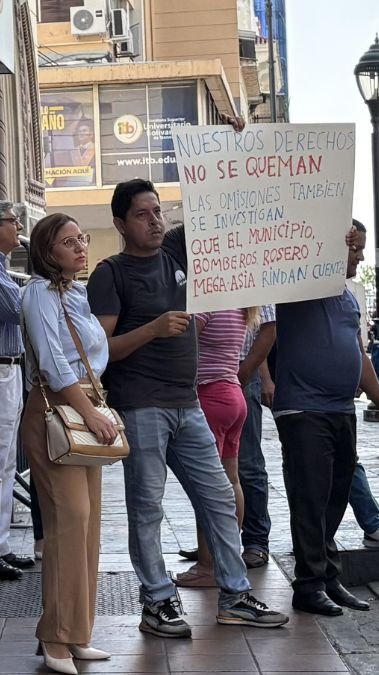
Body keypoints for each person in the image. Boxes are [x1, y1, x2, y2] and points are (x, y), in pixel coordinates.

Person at [87, 178, 287, 638]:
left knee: (218, 496)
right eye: (142, 214)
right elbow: (100, 353)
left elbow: (215, 202)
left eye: (157, 211)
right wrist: (153, 329)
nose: (155, 221)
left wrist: (236, 140)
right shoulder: (110, 273)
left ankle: (235, 595)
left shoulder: (176, 257)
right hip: (141, 406)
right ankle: (156, 601)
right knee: (147, 506)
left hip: (187, 402)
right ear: (120, 223)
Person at [273, 219, 379, 617]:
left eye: (362, 249)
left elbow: (358, 354)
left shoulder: (348, 298)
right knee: (310, 499)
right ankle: (309, 585)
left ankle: (327, 577)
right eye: (354, 248)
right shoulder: (298, 289)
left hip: (341, 409)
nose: (360, 257)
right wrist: (320, 244)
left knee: (335, 497)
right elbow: (288, 253)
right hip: (304, 409)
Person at [20, 214, 116, 674]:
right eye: (68, 242)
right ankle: (55, 636)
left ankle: (77, 632)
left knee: (89, 524)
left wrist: (95, 407)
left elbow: (94, 354)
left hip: (84, 409)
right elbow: (55, 362)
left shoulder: (77, 293)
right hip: (56, 410)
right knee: (68, 521)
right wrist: (92, 410)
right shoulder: (37, 292)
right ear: (47, 251)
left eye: (82, 239)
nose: (80, 247)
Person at [174, 307, 256, 587]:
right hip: (233, 394)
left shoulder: (207, 307)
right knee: (231, 481)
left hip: (209, 396)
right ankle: (228, 556)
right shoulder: (240, 308)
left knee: (206, 486)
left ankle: (208, 564)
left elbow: (181, 345)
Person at [0, 201, 32, 582]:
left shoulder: (6, 268)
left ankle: (4, 545)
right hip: (2, 369)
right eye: (12, 221)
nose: (17, 227)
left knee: (7, 463)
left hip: (9, 369)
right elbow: (16, 309)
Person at [236, 304, 276, 569]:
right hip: (206, 374)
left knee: (248, 463)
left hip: (241, 372)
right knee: (210, 467)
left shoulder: (249, 271)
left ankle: (256, 540)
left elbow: (267, 329)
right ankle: (214, 540)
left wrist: (251, 374)